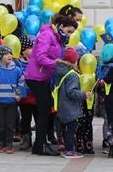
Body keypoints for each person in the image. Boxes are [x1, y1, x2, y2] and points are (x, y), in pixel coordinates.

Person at [25, 14, 78, 156]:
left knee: (46, 111)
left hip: (44, 78)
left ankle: (40, 144)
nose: (70, 35)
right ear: (61, 26)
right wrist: (58, 63)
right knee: (44, 112)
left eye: (72, 33)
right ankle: (40, 145)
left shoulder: (57, 38)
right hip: (36, 77)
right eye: (69, 31)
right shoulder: (47, 35)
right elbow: (40, 57)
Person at [0, 45, 25, 154]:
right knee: (0, 125)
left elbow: (21, 83)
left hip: (12, 102)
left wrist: (19, 95)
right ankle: (0, 144)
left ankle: (9, 144)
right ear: (0, 56)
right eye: (6, 54)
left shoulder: (17, 70)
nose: (9, 56)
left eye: (10, 53)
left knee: (10, 125)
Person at [52, 47, 86, 159]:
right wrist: (84, 94)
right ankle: (70, 150)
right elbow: (72, 92)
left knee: (64, 129)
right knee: (71, 129)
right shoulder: (72, 74)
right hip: (70, 107)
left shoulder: (59, 70)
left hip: (61, 105)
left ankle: (66, 148)